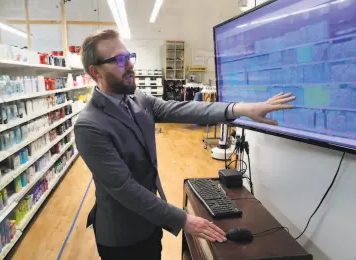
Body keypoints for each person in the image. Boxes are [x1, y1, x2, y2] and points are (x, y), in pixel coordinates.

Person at [74, 29, 295, 260]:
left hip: (150, 224)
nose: (130, 65)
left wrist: (241, 109)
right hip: (122, 235)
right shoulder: (90, 126)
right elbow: (125, 189)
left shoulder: (136, 99)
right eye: (119, 60)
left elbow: (181, 108)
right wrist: (183, 219)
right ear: (95, 71)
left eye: (129, 56)